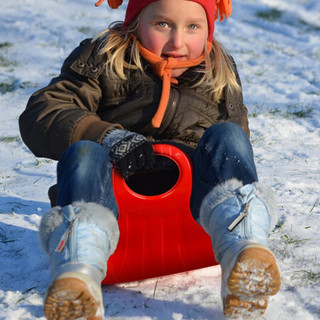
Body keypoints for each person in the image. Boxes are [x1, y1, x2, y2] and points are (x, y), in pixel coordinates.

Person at [19, 0, 281, 319]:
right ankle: (78, 274)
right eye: (163, 25)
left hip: (194, 223)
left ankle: (244, 252)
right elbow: (44, 113)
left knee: (229, 136)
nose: (177, 41)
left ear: (210, 29)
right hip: (110, 219)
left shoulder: (219, 72)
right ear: (135, 21)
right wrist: (107, 136)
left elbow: (235, 155)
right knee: (84, 152)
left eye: (193, 26)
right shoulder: (103, 58)